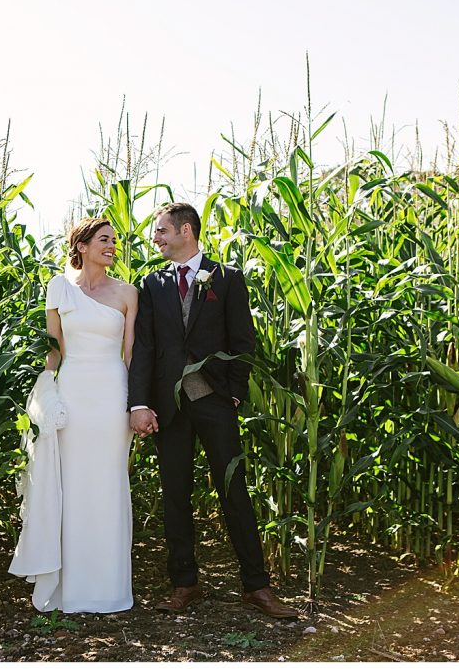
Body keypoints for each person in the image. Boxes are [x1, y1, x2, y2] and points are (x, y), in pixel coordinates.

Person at [127, 202, 299, 619]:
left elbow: (243, 342)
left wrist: (235, 395)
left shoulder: (228, 278)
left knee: (234, 491)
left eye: (162, 231)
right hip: (170, 407)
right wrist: (139, 402)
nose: (157, 238)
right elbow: (146, 348)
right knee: (175, 495)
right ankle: (184, 583)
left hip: (215, 401)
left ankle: (257, 586)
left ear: (187, 230)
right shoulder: (151, 285)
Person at [10, 216, 137, 613]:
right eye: (104, 239)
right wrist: (45, 398)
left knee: (109, 484)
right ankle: (72, 588)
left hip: (112, 394)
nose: (112, 246)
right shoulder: (58, 287)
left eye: (115, 240)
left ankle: (109, 588)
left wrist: (134, 404)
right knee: (73, 487)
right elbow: (55, 351)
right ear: (81, 245)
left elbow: (130, 354)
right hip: (74, 395)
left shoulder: (128, 293)